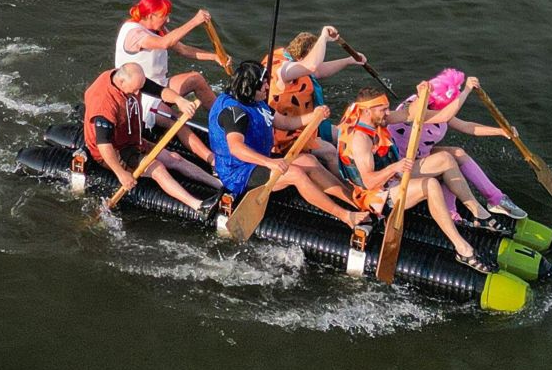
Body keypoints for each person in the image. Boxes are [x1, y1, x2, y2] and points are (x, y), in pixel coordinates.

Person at [337, 82, 502, 274]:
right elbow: (369, 182)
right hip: (376, 195)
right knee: (430, 184)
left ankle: (477, 212)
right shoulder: (361, 139)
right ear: (366, 111)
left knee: (446, 159)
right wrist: (395, 167)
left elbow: (413, 113)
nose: (387, 112)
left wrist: (421, 93)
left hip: (394, 175)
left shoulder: (379, 119)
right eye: (382, 109)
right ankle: (462, 249)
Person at [209, 61, 368, 229]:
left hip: (258, 161)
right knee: (296, 174)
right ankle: (346, 216)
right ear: (250, 86)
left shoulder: (255, 100)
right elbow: (236, 148)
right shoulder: (234, 112)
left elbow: (285, 122)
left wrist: (314, 117)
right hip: (239, 172)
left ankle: (356, 200)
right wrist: (270, 162)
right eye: (263, 83)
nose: (267, 86)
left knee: (310, 161)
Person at [386, 68, 528, 219]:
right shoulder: (415, 109)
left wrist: (501, 131)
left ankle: (496, 199)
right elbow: (445, 115)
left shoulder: (437, 109)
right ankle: (450, 213)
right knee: (446, 161)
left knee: (458, 153)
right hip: (401, 165)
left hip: (420, 157)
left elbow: (466, 126)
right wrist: (466, 90)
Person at [83, 63, 222, 216]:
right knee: (158, 169)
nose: (137, 93)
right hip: (116, 150)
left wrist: (178, 100)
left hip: (131, 139)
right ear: (121, 82)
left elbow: (159, 91)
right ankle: (199, 206)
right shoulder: (105, 105)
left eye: (139, 89)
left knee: (174, 158)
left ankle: (219, 184)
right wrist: (121, 174)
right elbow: (104, 145)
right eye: (134, 90)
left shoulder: (129, 81)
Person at [113, 0, 220, 157]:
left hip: (159, 85)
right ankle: (212, 160)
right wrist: (195, 21)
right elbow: (164, 43)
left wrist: (214, 57)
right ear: (150, 15)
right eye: (164, 16)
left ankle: (223, 122)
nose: (168, 20)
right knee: (177, 119)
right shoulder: (134, 34)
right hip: (142, 95)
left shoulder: (157, 28)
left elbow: (183, 49)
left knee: (196, 79)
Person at [266, 28, 362, 173]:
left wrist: (349, 60)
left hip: (308, 121)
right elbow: (312, 66)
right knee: (329, 151)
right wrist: (323, 37)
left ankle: (362, 169)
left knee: (345, 135)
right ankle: (345, 185)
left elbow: (317, 71)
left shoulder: (295, 63)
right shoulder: (283, 70)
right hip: (287, 133)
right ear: (302, 57)